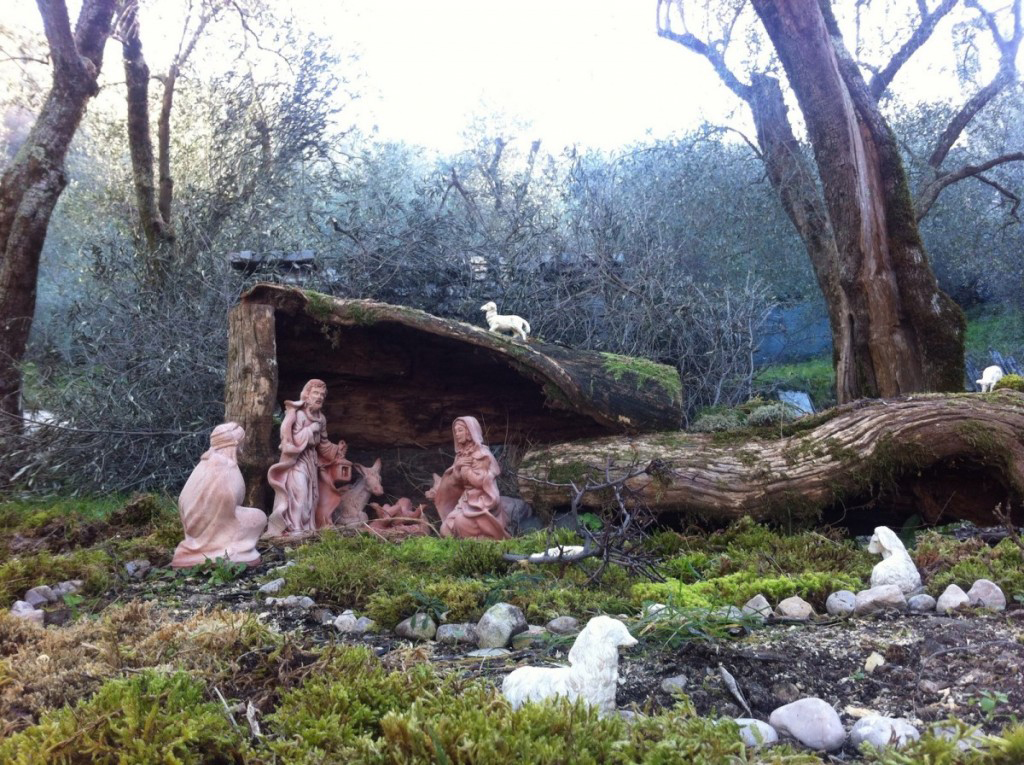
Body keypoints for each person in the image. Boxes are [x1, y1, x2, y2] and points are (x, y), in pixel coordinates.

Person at [172, 422, 266, 567]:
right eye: (241, 443)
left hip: (200, 523)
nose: (241, 448)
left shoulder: (206, 462)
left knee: (254, 516)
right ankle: (226, 551)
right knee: (258, 517)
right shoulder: (224, 466)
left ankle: (226, 549)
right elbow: (225, 501)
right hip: (212, 525)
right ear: (234, 443)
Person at [264, 379, 350, 536]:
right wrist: (311, 429)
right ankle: (294, 528)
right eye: (316, 393)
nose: (319, 397)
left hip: (311, 461)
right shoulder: (298, 414)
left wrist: (337, 450)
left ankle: (306, 529)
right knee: (300, 493)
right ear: (307, 395)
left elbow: (323, 444)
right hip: (296, 461)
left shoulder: (321, 418)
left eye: (322, 395)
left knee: (312, 498)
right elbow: (291, 439)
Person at [431, 416, 509, 540]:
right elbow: (456, 482)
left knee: (460, 522)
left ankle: (484, 540)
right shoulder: (460, 455)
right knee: (445, 530)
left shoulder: (482, 454)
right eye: (455, 431)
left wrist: (466, 471)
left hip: (481, 501)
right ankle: (468, 542)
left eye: (460, 430)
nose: (457, 434)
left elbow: (481, 482)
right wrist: (457, 468)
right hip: (465, 501)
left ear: (470, 432)